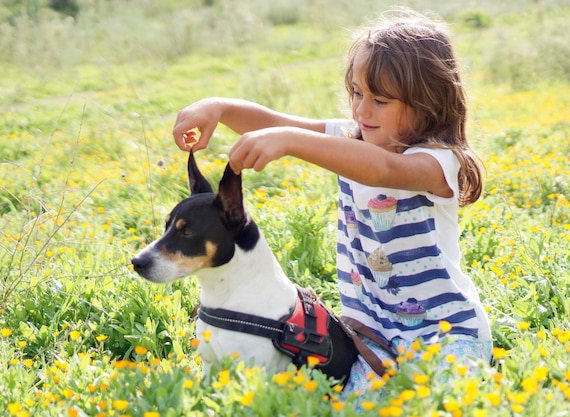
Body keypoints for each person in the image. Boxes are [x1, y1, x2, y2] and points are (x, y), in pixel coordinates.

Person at [171, 6, 492, 402]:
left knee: (447, 404)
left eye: (380, 100)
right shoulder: (354, 138)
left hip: (446, 333)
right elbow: (270, 119)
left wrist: (290, 141)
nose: (361, 110)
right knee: (350, 407)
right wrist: (217, 108)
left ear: (429, 102)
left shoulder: (437, 161)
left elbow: (384, 171)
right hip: (370, 338)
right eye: (357, 93)